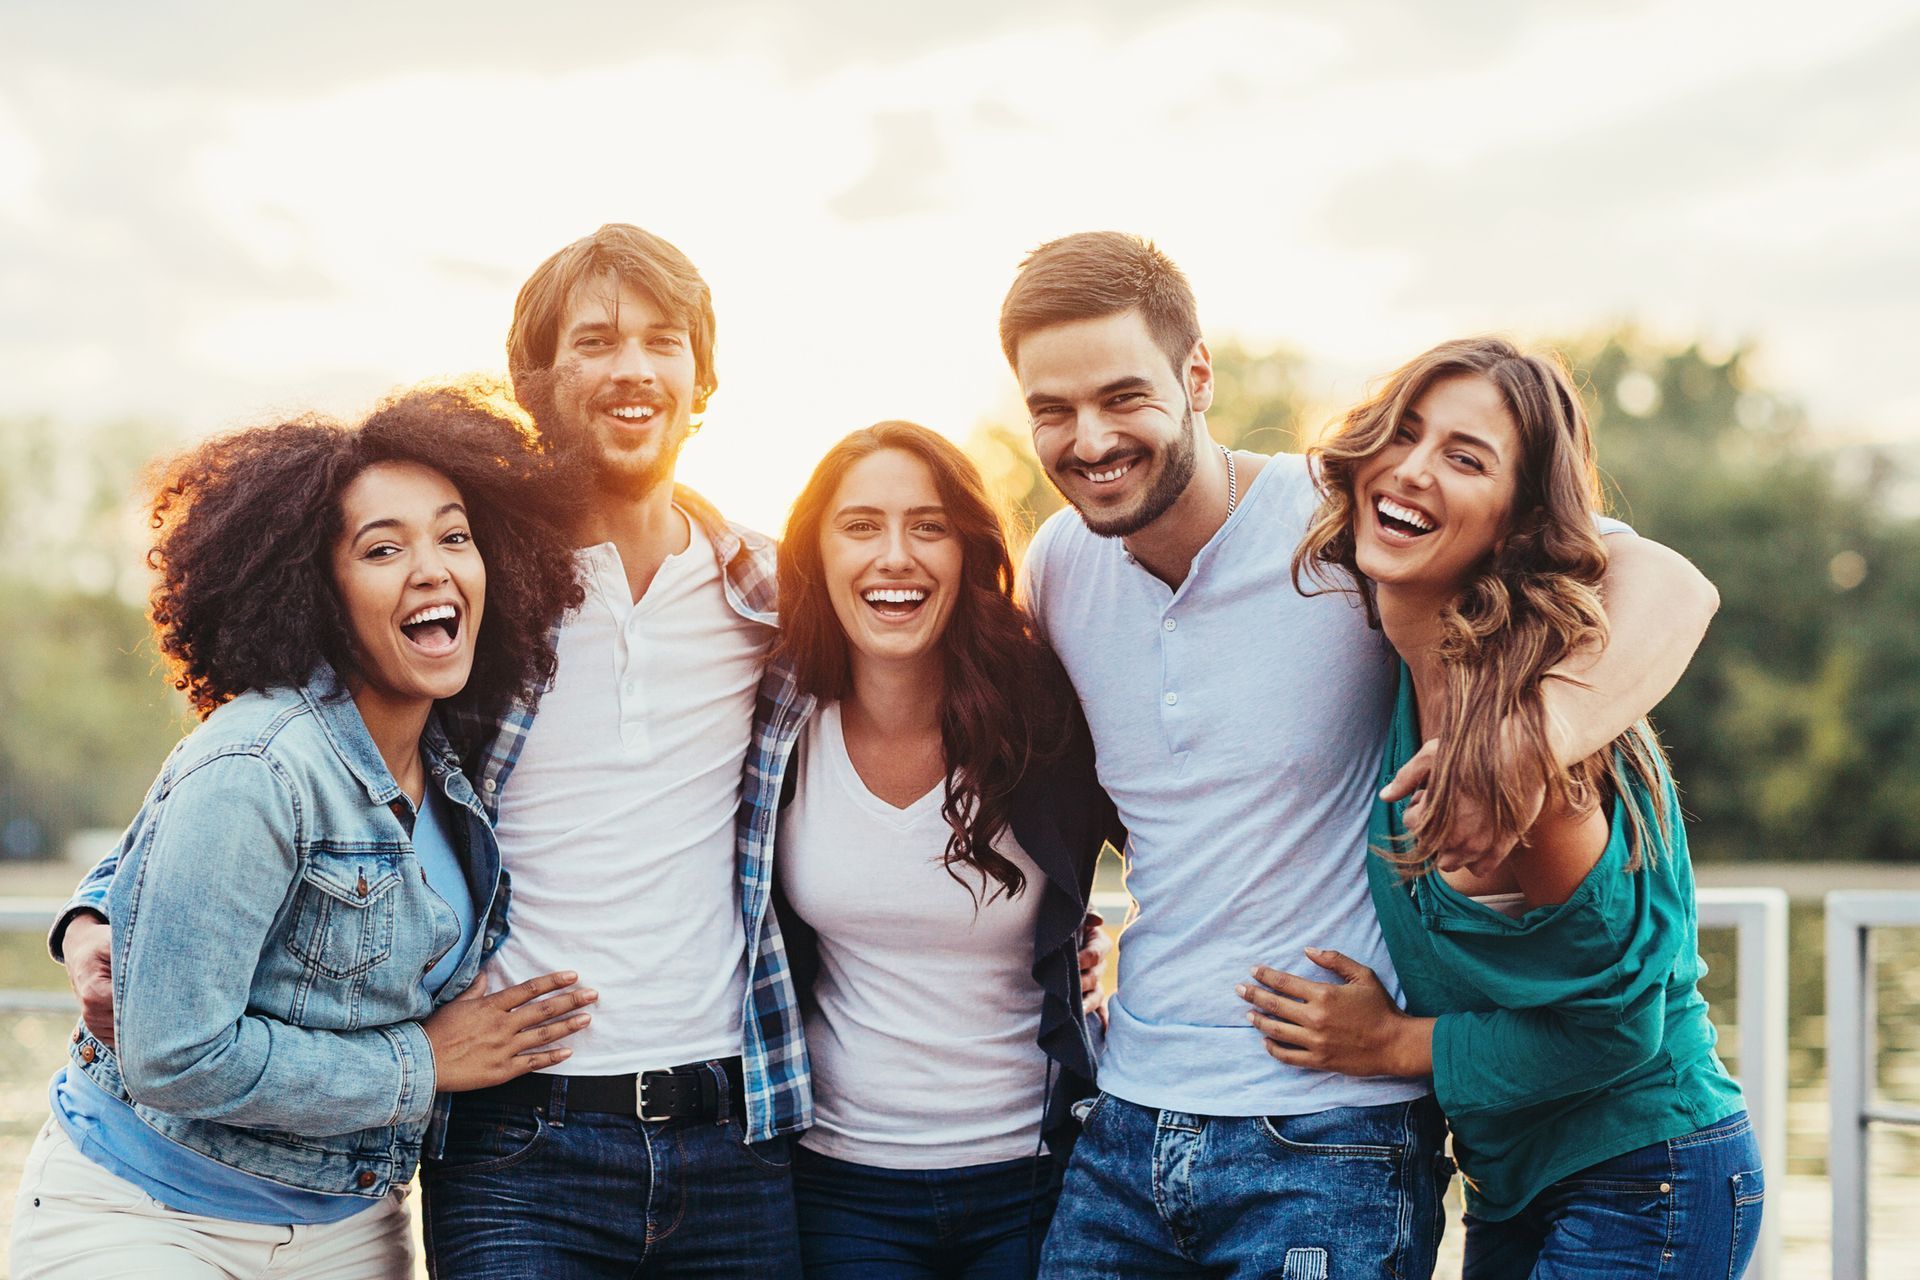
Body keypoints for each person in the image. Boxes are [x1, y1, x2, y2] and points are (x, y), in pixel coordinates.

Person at [1000, 233, 1722, 1278]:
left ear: (1197, 376)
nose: (1090, 437)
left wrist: (1533, 738)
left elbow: (1669, 585)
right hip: (1127, 1111)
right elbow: (1144, 798)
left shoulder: (1345, 520)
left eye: (1124, 395)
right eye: (1051, 409)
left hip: (1328, 1134)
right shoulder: (1059, 566)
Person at [16, 386, 594, 1278]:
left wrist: (93, 914)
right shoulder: (260, 760)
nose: (433, 568)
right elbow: (174, 1057)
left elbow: (153, 847)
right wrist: (424, 1063)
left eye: (454, 536)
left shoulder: (454, 756)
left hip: (352, 1226)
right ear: (315, 588)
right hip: (150, 1214)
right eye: (383, 548)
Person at [1240, 337, 1760, 1279]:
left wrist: (1395, 1044)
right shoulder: (1408, 675)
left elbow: (1616, 1029)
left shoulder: (1530, 752)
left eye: (1464, 457)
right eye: (1403, 433)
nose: (1411, 468)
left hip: (1645, 1177)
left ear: (1514, 525)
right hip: (1513, 1184)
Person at [758, 422, 1116, 1277]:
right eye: (860, 526)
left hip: (1035, 1175)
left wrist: (1115, 950)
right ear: (816, 554)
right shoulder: (776, 723)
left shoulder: (1046, 715)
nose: (895, 557)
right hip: (843, 1185)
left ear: (967, 551)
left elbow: (1183, 841)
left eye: (928, 526)